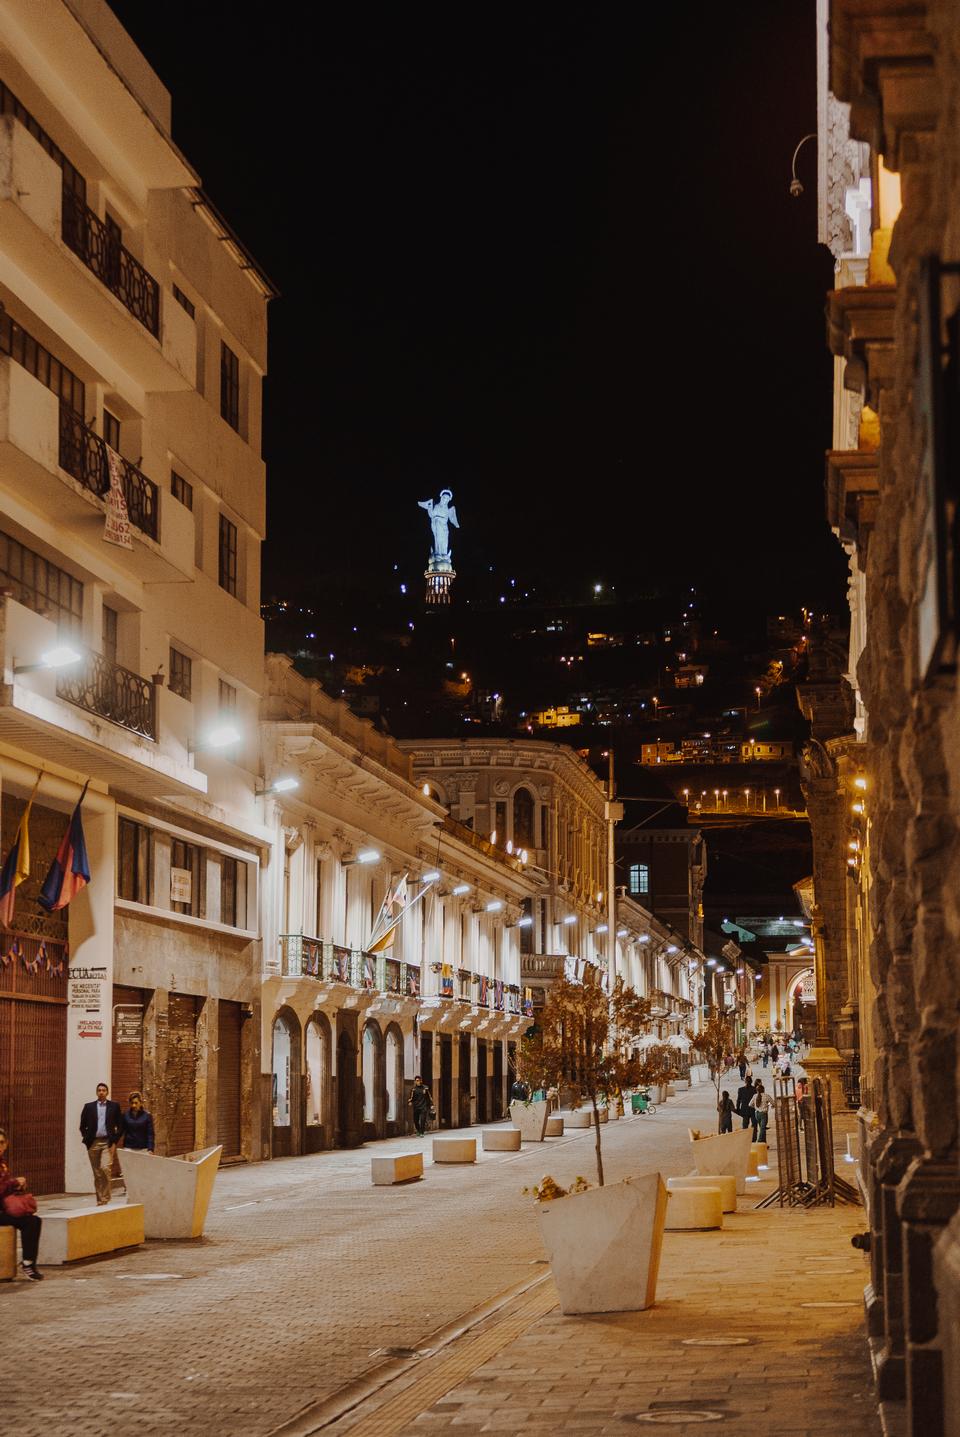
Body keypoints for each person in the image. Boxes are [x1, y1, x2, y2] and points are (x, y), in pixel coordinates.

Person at [0, 1126, 42, 1280]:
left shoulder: (2, 1163)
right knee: (29, 1223)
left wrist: (18, 1186)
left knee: (34, 1221)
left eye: (1, 1142)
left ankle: (29, 1262)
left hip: (3, 1209)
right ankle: (28, 1265)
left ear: (6, 1144)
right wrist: (13, 1182)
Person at [79, 1082, 123, 1205]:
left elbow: (120, 1125)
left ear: (107, 1092)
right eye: (99, 1090)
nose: (101, 1092)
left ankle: (106, 1197)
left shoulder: (114, 1106)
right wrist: (87, 1138)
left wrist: (114, 1140)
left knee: (105, 1168)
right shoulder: (89, 1107)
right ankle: (100, 1200)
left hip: (107, 1143)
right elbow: (82, 1126)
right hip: (93, 1143)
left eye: (104, 1090)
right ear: (97, 1092)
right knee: (97, 1173)